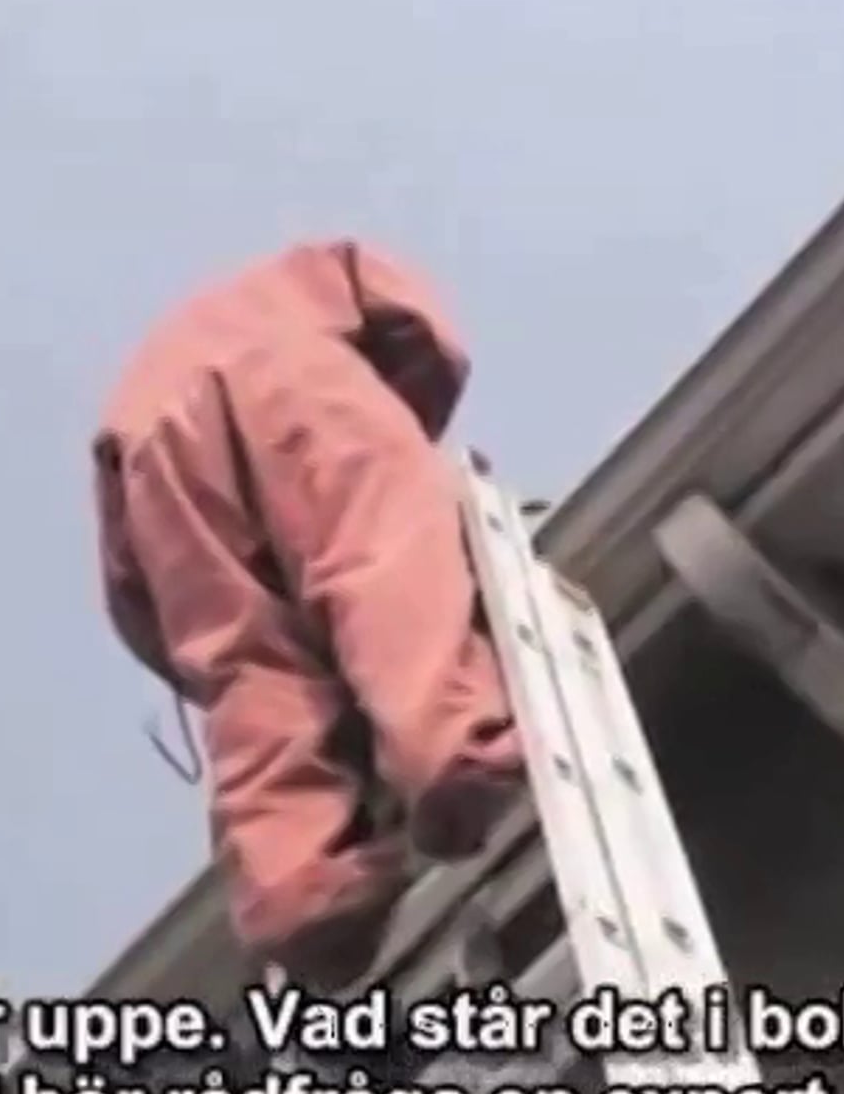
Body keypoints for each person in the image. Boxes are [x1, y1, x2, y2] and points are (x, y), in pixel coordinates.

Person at [91, 239, 526, 993]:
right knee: (379, 551)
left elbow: (141, 591)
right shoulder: (328, 288)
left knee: (251, 668)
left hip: (145, 460)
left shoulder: (193, 342)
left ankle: (301, 886)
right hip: (285, 376)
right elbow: (420, 337)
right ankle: (455, 743)